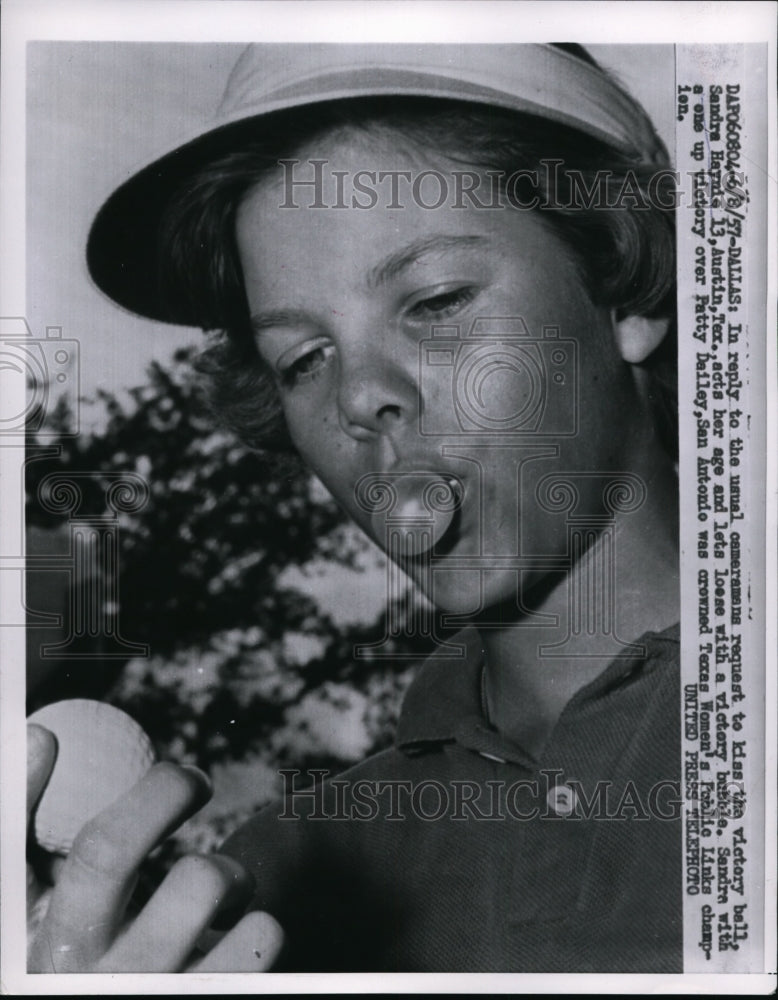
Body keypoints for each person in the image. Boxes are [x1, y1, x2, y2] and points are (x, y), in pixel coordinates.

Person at [27, 42, 681, 972]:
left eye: (436, 300)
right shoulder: (270, 898)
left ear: (625, 289)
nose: (359, 395)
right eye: (303, 359)